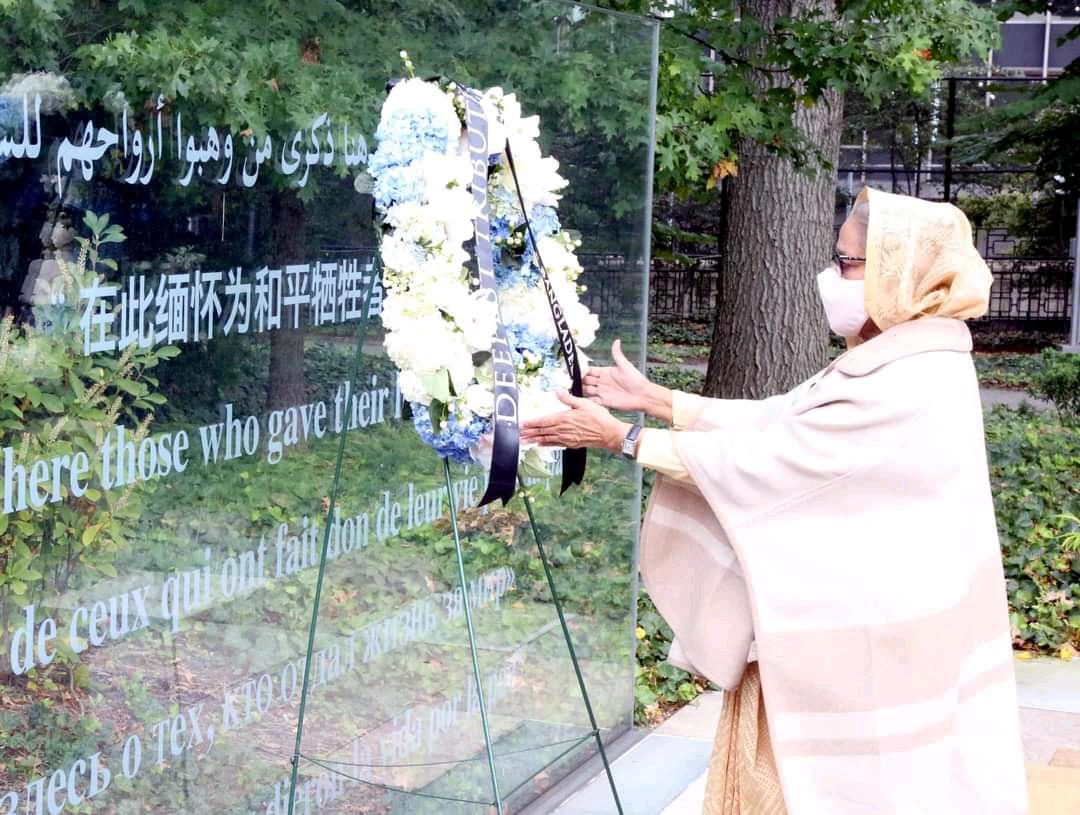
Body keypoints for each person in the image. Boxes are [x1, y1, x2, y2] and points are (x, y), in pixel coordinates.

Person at [520, 187, 1029, 814]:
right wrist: (659, 401)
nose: (831, 277)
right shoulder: (913, 354)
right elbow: (786, 420)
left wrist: (622, 438)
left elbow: (772, 460)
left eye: (847, 263)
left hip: (864, 648)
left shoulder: (907, 379)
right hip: (885, 625)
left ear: (899, 274)